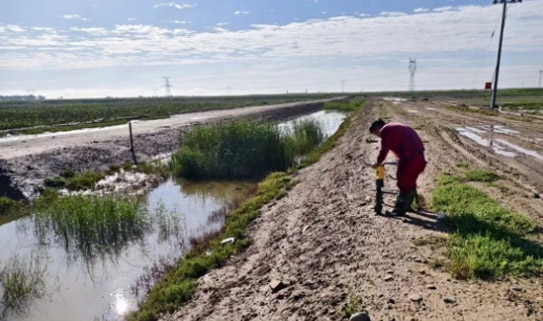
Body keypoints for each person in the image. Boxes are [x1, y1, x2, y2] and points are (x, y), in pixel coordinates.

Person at [369, 119, 426, 216]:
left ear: (378, 128)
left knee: (403, 183)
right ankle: (407, 206)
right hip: (419, 155)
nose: (378, 136)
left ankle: (398, 211)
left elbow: (384, 149)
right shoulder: (394, 126)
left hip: (409, 156)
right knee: (409, 181)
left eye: (375, 133)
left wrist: (378, 162)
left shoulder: (385, 130)